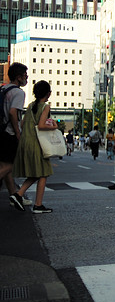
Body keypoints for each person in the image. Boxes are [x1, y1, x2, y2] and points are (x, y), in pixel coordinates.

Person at [13, 80, 57, 214]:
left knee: (37, 173)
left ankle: (18, 194)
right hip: (37, 144)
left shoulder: (31, 105)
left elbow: (22, 124)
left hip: (26, 142)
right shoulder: (45, 107)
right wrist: (54, 126)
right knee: (44, 173)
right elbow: (42, 125)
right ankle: (38, 205)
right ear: (48, 94)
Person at [0, 63, 29, 210]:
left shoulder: (4, 88)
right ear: (18, 77)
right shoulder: (18, 93)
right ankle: (15, 196)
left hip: (1, 131)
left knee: (6, 166)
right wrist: (18, 133)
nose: (26, 78)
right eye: (25, 75)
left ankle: (14, 196)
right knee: (10, 165)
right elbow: (13, 113)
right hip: (10, 133)